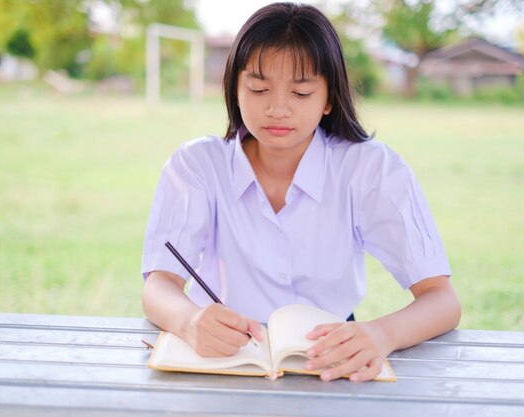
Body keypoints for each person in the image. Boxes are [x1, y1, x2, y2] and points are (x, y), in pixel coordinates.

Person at [141, 2, 460, 382]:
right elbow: (158, 286)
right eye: (259, 88)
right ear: (235, 90)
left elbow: (442, 300)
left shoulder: (369, 169)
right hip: (226, 356)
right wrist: (190, 320)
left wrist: (380, 335)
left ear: (328, 98)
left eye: (301, 92)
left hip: (330, 357)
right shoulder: (196, 165)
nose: (278, 109)